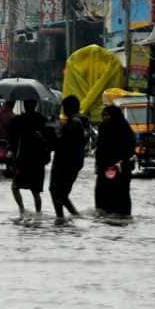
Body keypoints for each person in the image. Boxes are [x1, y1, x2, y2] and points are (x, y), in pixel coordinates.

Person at [8, 98, 51, 216]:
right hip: (37, 161)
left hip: (23, 159)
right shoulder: (42, 120)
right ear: (36, 105)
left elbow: (12, 139)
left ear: (24, 106)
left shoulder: (18, 120)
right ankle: (38, 213)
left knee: (15, 186)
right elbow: (49, 141)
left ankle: (22, 210)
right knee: (35, 191)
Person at [49, 96, 86, 225]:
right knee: (60, 193)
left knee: (57, 191)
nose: (63, 110)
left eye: (64, 107)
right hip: (72, 162)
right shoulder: (76, 122)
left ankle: (61, 218)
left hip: (65, 163)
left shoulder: (74, 123)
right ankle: (72, 216)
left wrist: (53, 133)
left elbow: (62, 142)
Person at [95, 104, 136, 216]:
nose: (104, 118)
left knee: (121, 195)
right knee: (102, 195)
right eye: (103, 115)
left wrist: (118, 161)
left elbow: (129, 148)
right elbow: (99, 148)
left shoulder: (124, 128)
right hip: (104, 168)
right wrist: (98, 165)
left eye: (107, 115)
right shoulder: (103, 127)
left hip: (120, 169)